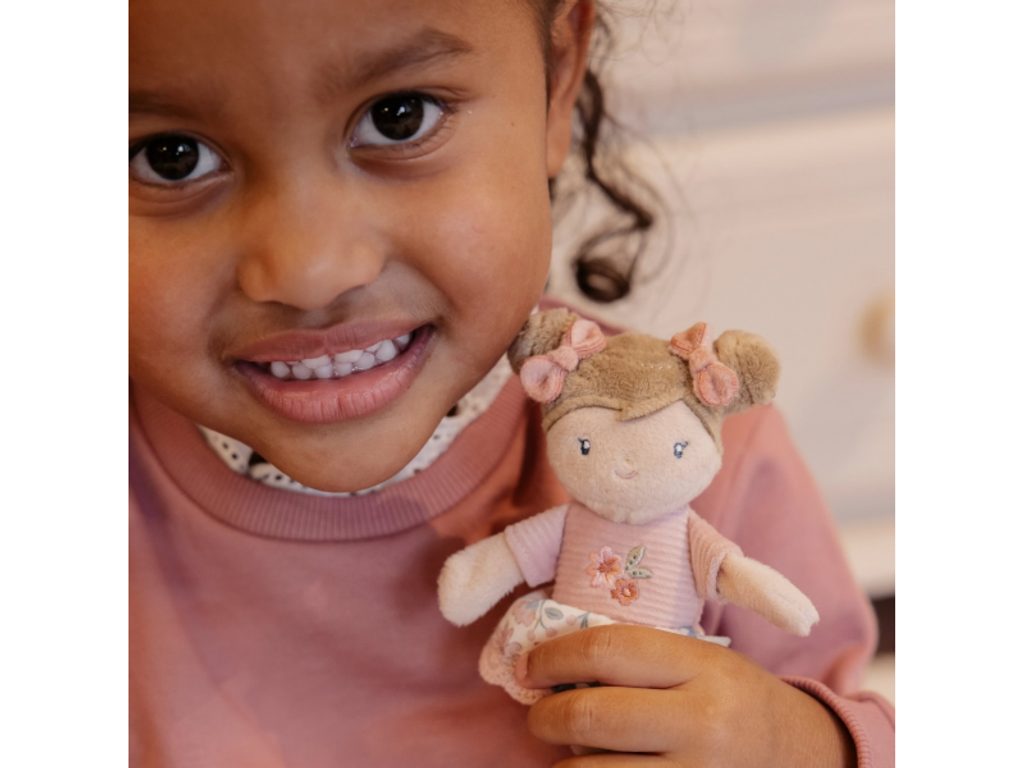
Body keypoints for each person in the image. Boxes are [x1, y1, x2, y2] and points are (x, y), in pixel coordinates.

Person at [129, 1, 895, 766]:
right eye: (170, 157)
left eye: (399, 118)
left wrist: (792, 745)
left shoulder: (691, 453)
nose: (310, 271)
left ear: (557, 78)